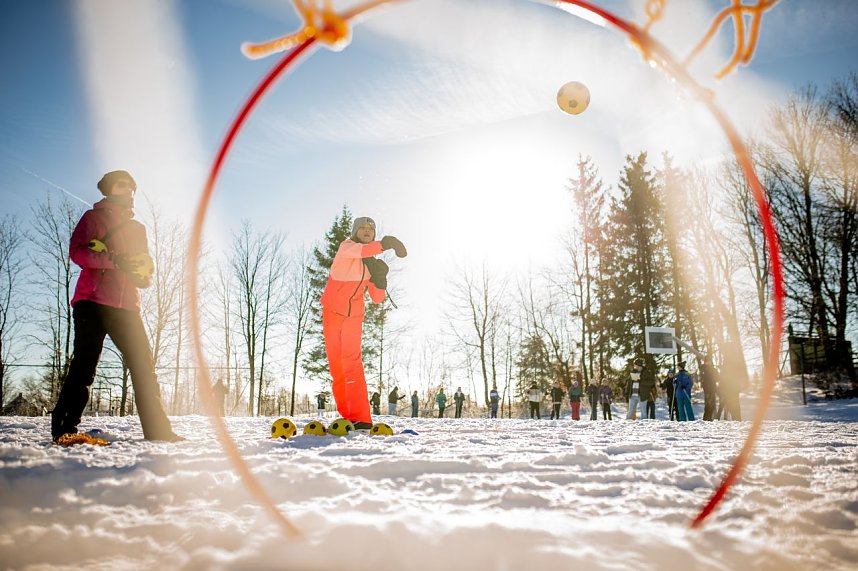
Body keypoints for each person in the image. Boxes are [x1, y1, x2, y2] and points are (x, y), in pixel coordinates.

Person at [51, 170, 181, 443]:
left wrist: (142, 275)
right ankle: (64, 429)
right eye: (121, 185)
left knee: (144, 366)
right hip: (92, 301)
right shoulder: (93, 218)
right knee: (85, 366)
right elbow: (78, 252)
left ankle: (159, 432)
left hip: (127, 306)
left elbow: (142, 264)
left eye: (131, 186)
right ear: (108, 189)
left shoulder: (138, 229)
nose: (128, 190)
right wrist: (114, 260)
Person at [321, 216, 406, 429]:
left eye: (371, 229)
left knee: (352, 362)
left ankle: (361, 418)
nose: (367, 231)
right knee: (337, 365)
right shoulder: (347, 247)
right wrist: (386, 244)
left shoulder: (370, 263)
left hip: (353, 317)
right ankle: (346, 413)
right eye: (363, 228)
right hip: (332, 312)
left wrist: (380, 280)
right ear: (355, 232)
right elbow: (362, 251)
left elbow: (377, 299)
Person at [700, 355, 719, 421]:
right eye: (707, 361)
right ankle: (706, 418)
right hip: (707, 388)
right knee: (708, 404)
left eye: (709, 361)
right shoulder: (704, 369)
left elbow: (717, 378)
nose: (708, 362)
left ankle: (709, 418)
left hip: (712, 388)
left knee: (712, 404)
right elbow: (703, 378)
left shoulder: (713, 369)